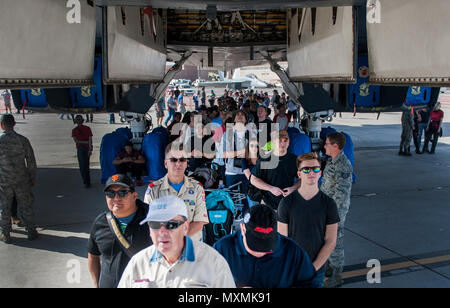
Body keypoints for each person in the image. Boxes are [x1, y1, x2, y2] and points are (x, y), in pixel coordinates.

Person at [118, 195, 235, 288]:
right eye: (155, 224)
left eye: (171, 224)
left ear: (185, 227)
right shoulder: (137, 263)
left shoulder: (214, 263)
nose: (162, 232)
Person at [213, 204, 318, 288]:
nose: (261, 252)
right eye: (255, 245)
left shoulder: (293, 251)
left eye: (266, 246)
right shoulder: (222, 249)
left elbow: (310, 283)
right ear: (242, 229)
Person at [278, 152, 340, 287]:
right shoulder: (286, 203)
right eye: (306, 169)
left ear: (320, 173)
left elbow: (331, 241)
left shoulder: (329, 204)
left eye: (315, 169)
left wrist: (312, 268)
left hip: (316, 272)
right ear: (299, 174)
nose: (311, 172)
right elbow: (282, 241)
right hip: (291, 270)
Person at [87, 174, 152, 288]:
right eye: (110, 194)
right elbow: (93, 256)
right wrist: (96, 284)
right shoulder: (100, 222)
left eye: (122, 193)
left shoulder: (152, 218)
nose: (116, 198)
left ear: (134, 195)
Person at [144, 143, 209, 241]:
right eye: (173, 160)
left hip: (191, 246)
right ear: (166, 163)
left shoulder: (197, 188)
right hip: (164, 245)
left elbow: (199, 222)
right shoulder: (153, 190)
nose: (178, 163)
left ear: (186, 163)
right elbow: (150, 223)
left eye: (182, 160)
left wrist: (178, 241)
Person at [320, 132, 353, 288]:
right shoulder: (331, 161)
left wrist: (331, 214)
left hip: (336, 211)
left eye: (327, 143)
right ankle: (329, 267)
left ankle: (337, 275)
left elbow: (341, 193)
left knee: (336, 241)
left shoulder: (343, 165)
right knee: (326, 239)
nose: (324, 146)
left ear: (335, 146)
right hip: (327, 208)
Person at [0, 114, 38, 243]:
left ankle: (6, 234)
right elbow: (31, 161)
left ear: (1, 125)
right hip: (21, 180)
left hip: (4, 181)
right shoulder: (23, 140)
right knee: (25, 206)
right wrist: (32, 176)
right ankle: (31, 231)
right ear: (14, 124)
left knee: (4, 207)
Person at [250, 130, 300, 210]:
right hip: (268, 204)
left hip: (288, 205)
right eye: (279, 140)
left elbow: (302, 179)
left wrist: (293, 188)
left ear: (289, 142)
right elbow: (253, 179)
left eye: (285, 140)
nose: (283, 143)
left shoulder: (294, 160)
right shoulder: (265, 159)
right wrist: (270, 188)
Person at [72, 114, 93, 188]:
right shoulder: (87, 128)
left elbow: (76, 141)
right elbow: (90, 139)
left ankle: (85, 181)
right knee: (86, 165)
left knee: (82, 166)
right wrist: (90, 148)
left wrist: (83, 142)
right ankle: (88, 181)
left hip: (80, 149)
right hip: (87, 148)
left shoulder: (74, 130)